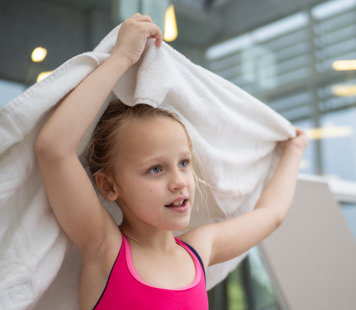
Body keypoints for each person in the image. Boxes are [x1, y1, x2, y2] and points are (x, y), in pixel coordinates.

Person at [34, 13, 308, 310]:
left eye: (184, 163)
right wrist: (121, 58)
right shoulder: (106, 249)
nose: (179, 181)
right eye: (156, 169)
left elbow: (271, 214)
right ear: (109, 185)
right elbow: (53, 149)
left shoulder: (199, 250)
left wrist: (293, 151)